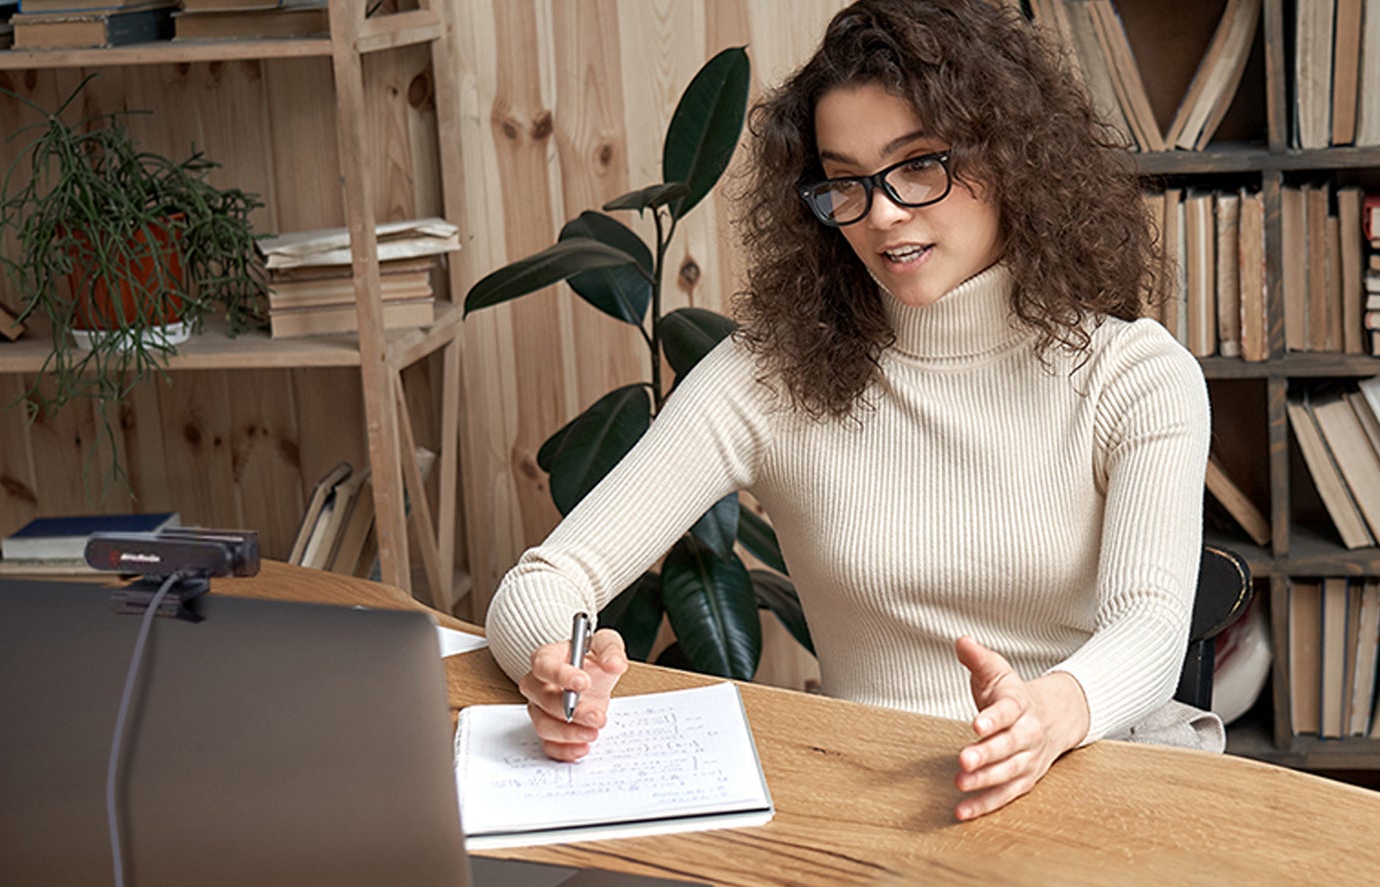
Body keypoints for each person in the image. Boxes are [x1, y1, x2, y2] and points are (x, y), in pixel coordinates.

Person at [483, 0, 1217, 821]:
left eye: (919, 165)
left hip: (1089, 778)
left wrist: (1047, 715)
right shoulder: (768, 374)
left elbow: (1149, 628)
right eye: (845, 182)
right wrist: (553, 667)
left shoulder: (1134, 376)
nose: (883, 214)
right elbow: (545, 582)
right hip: (871, 803)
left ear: (1011, 158)